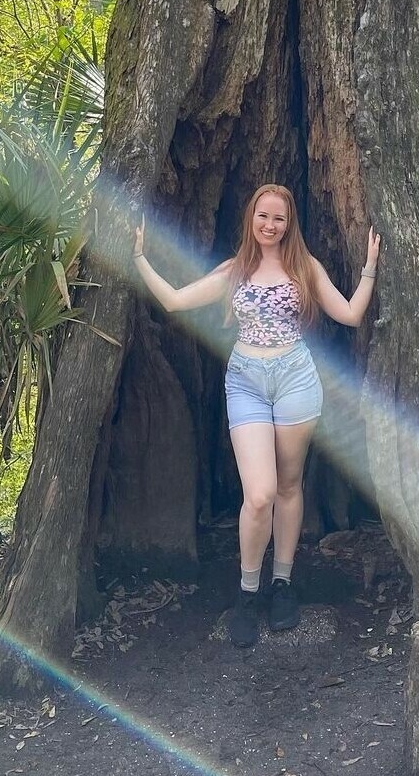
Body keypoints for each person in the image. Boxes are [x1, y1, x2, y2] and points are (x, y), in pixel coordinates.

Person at [133, 184, 380, 647]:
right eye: (263, 216)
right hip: (247, 381)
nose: (270, 225)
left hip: (295, 381)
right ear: (251, 218)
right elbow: (174, 300)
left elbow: (348, 314)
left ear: (289, 224)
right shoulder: (235, 270)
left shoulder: (305, 267)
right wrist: (140, 257)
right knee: (261, 493)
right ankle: (248, 591)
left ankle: (282, 583)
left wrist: (368, 269)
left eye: (279, 218)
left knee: (289, 484)